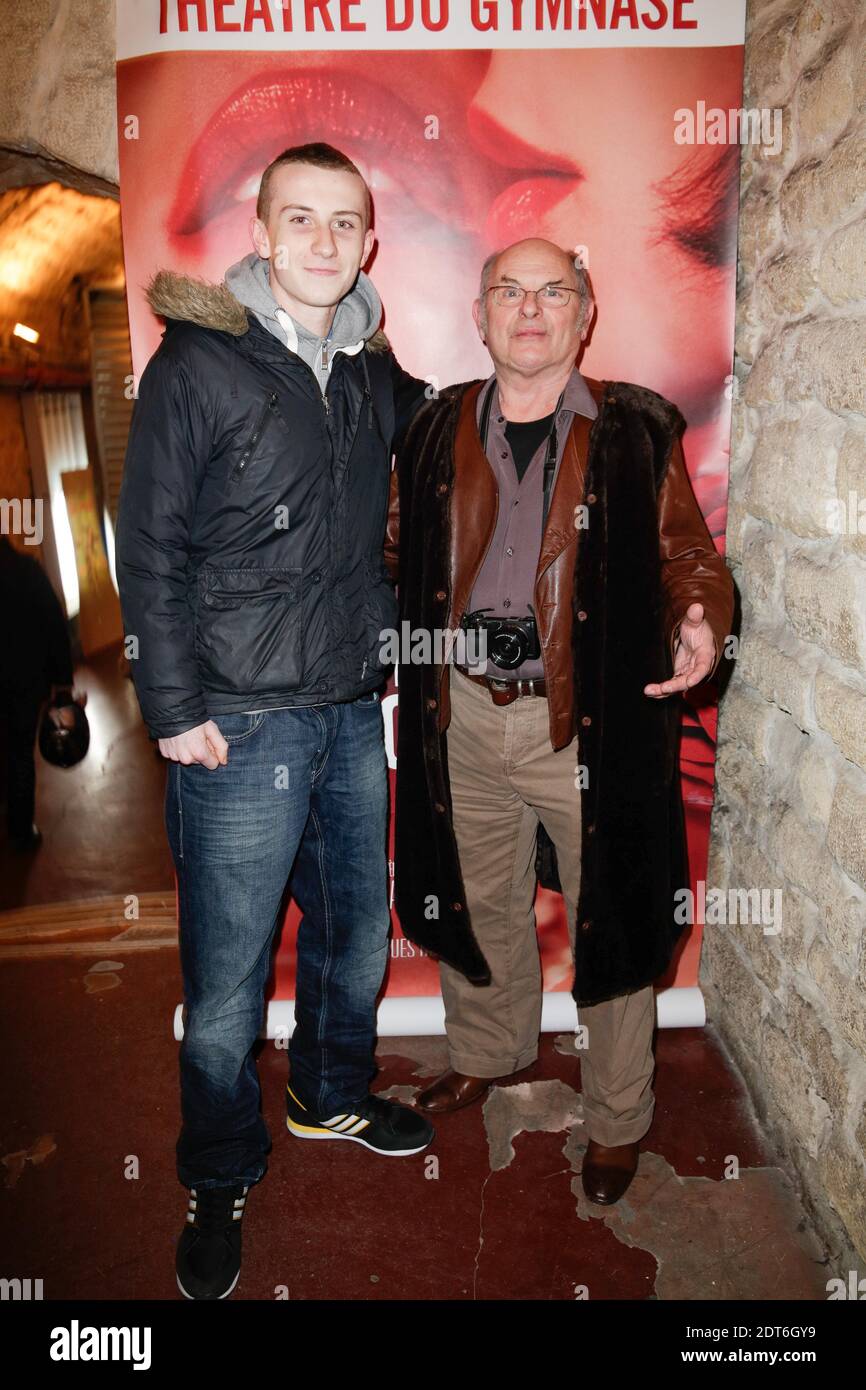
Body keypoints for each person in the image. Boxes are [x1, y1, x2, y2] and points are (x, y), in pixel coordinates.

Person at [115, 143, 431, 1302]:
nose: (321, 240)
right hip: (235, 725)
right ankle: (215, 1169)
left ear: (367, 243)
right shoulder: (198, 363)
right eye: (298, 218)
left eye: (342, 222)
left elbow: (448, 449)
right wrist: (173, 710)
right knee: (230, 977)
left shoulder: (366, 368)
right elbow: (145, 546)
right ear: (260, 231)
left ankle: (327, 1093)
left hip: (349, 709)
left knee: (353, 936)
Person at [386, 237, 735, 1205]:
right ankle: (486, 1051)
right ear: (478, 314)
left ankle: (618, 1117)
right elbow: (389, 554)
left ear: (584, 315)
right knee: (474, 897)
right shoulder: (426, 433)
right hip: (457, 711)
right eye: (509, 290)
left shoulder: (635, 429)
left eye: (553, 291)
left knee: (611, 913)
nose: (530, 308)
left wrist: (700, 617)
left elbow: (685, 558)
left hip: (587, 722)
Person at [0, 535, 78, 851]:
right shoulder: (26, 570)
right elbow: (54, 624)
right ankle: (21, 832)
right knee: (20, 755)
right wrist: (62, 683)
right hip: (23, 685)